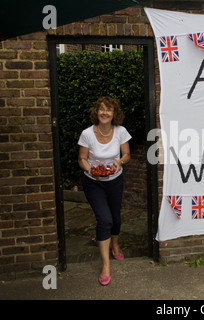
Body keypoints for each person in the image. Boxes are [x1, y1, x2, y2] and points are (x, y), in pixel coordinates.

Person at [77, 96, 131, 286]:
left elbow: (126, 155)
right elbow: (82, 158)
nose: (105, 113)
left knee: (115, 218)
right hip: (94, 182)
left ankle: (115, 244)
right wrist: (90, 169)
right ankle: (105, 265)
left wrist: (119, 162)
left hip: (115, 181)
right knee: (105, 219)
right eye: (101, 109)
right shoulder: (87, 134)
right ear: (96, 112)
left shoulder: (120, 132)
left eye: (109, 109)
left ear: (114, 113)